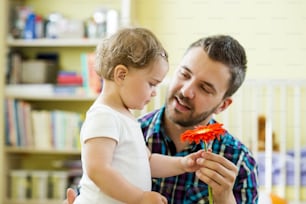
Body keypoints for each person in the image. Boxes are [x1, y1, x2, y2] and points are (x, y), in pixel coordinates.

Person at [67, 34, 259, 204]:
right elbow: (97, 179)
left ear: (222, 105)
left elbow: (147, 161)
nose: (186, 91)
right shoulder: (128, 126)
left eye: (205, 88)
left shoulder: (239, 161)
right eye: (184, 74)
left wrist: (223, 198)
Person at [73, 27, 204, 204]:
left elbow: (147, 161)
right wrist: (139, 197)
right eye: (151, 84)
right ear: (121, 75)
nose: (154, 93)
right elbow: (97, 169)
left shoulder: (125, 117)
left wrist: (182, 164)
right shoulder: (103, 116)